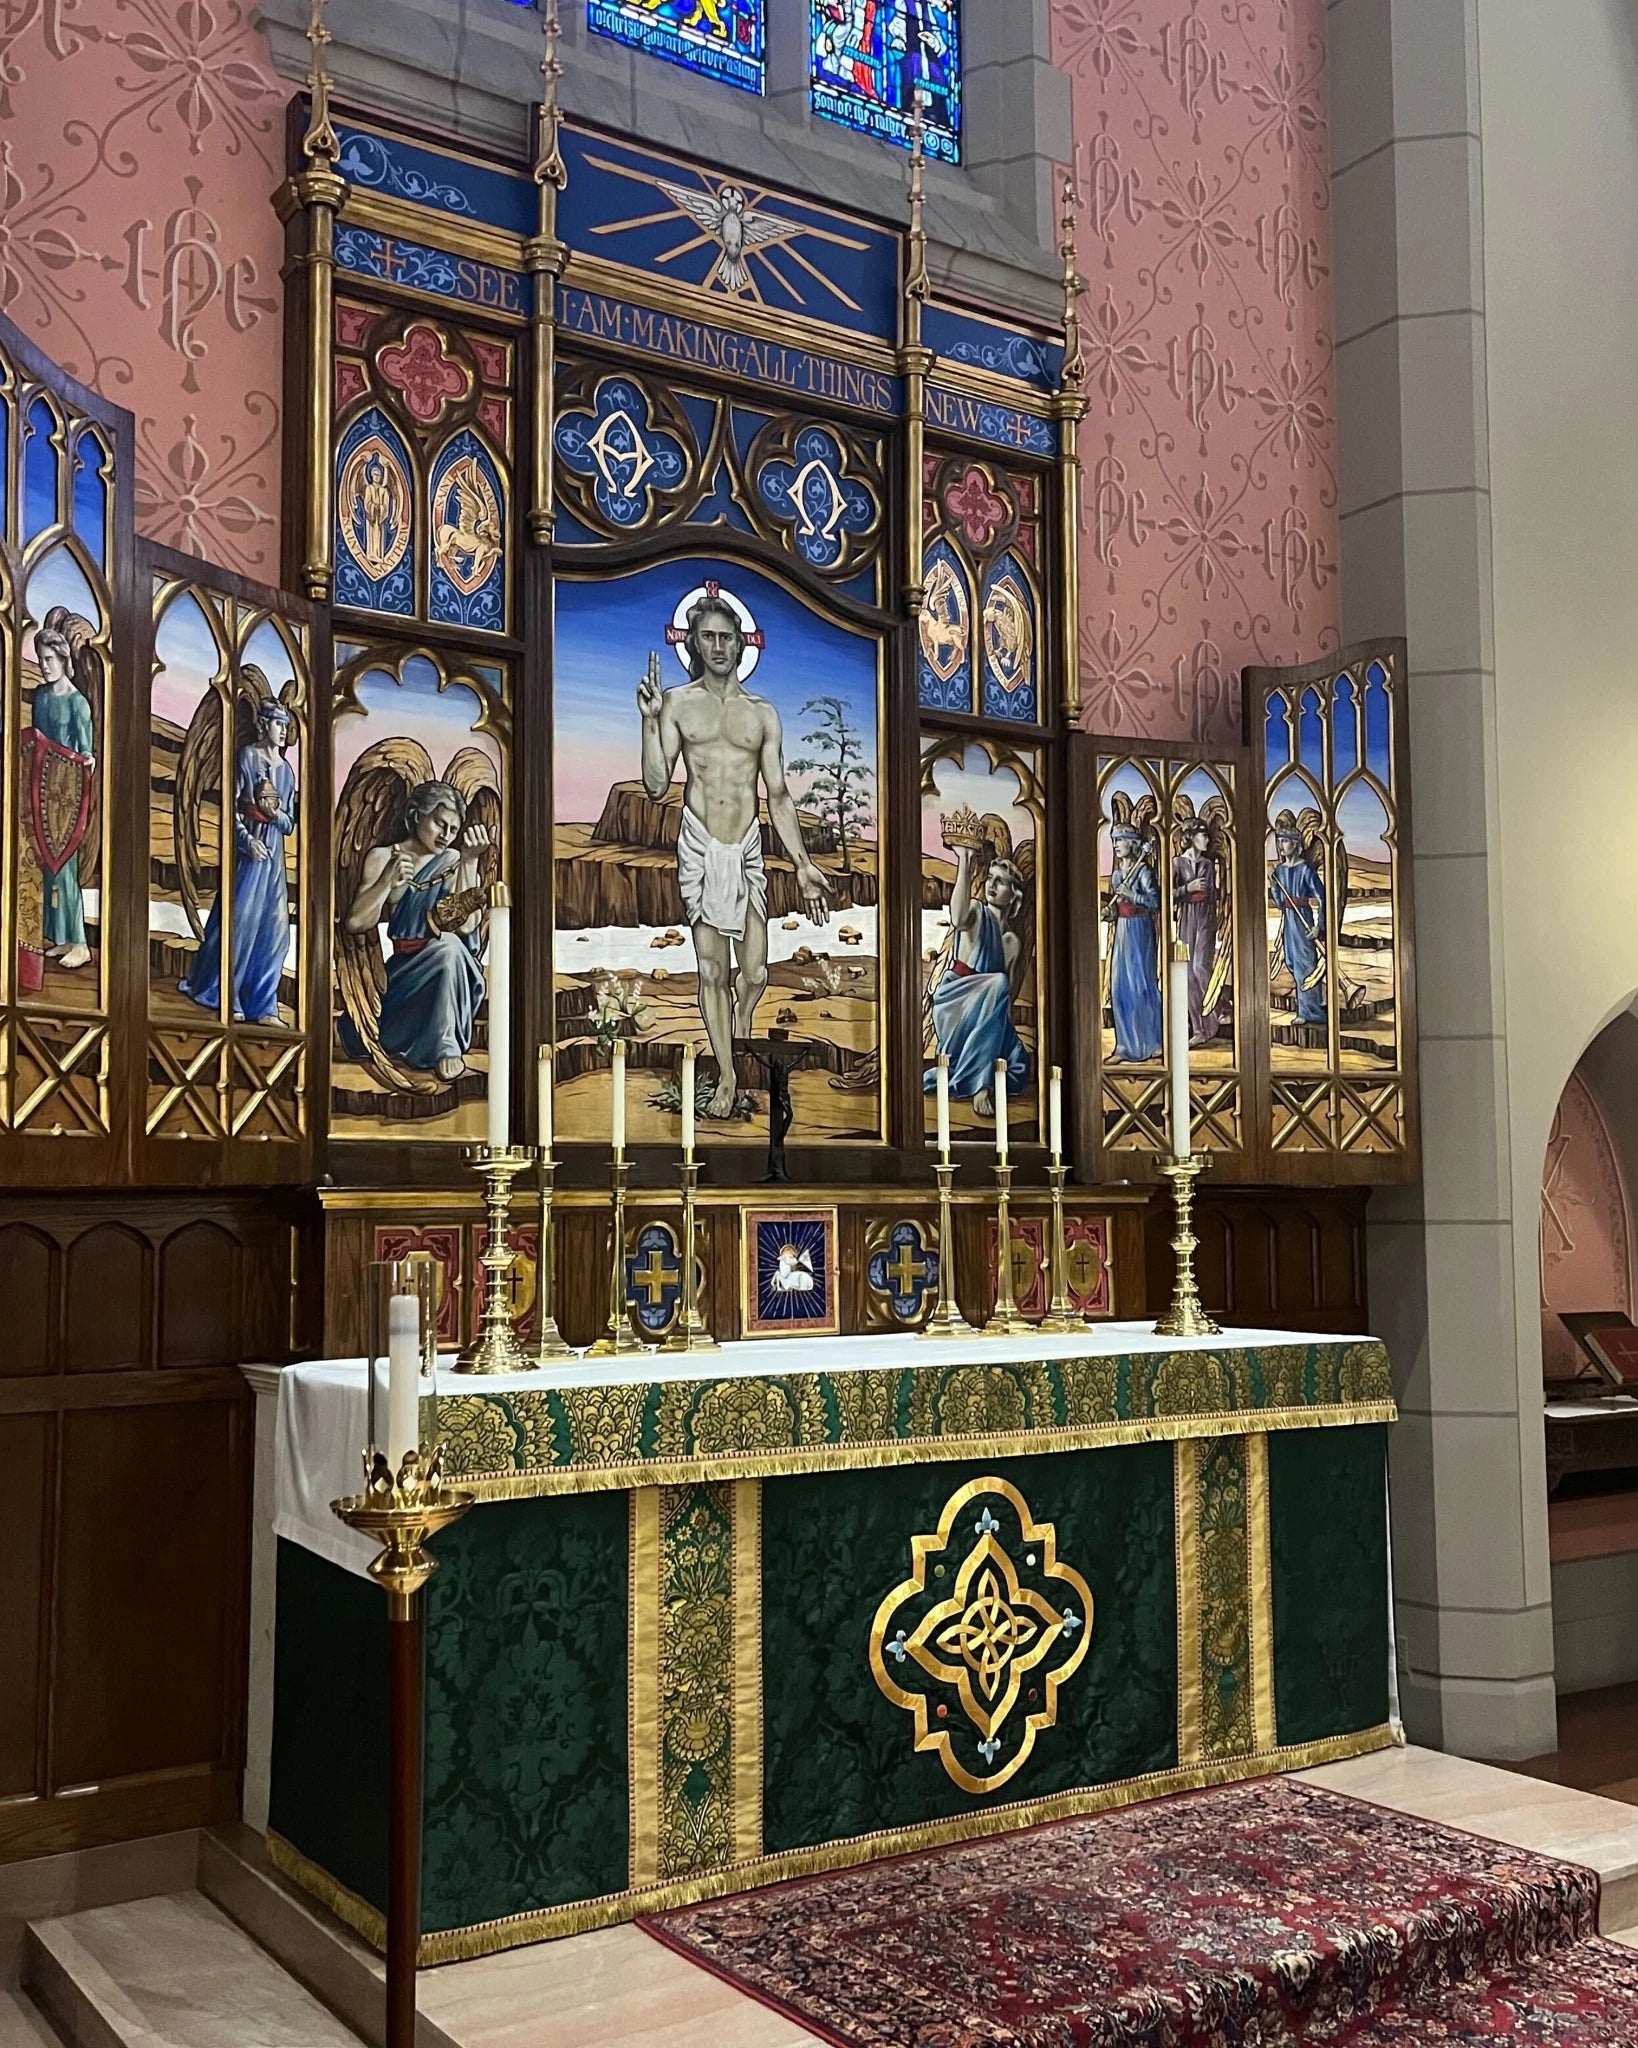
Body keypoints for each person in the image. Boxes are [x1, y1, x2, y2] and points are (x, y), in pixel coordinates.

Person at [638, 594, 832, 1117]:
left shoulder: (762, 715)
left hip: (746, 846)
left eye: (727, 637)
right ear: (695, 643)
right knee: (710, 972)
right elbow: (657, 786)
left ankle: (740, 1027)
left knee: (756, 974)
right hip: (700, 844)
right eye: (709, 637)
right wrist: (649, 723)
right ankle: (727, 1074)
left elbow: (780, 794)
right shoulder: (677, 703)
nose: (719, 646)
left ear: (741, 644)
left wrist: (802, 863)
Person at [342, 780, 496, 1082]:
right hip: (404, 975)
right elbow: (356, 923)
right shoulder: (383, 857)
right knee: (447, 950)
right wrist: (387, 881)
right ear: (416, 816)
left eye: (453, 830)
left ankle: (446, 1045)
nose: (446, 836)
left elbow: (466, 925)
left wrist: (469, 861)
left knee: (449, 948)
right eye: (440, 824)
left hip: (452, 973)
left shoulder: (453, 859)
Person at [180, 698, 297, 1024]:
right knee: (240, 924)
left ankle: (264, 1005)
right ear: (263, 725)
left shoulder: (286, 771)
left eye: (287, 726)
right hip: (250, 856)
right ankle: (227, 995)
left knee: (275, 932)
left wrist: (276, 815)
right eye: (278, 724)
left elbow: (289, 823)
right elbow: (231, 809)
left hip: (272, 860)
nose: (284, 731)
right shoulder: (247, 757)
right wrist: (247, 843)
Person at [923, 829, 1029, 1119]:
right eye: (991, 879)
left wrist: (1005, 1032)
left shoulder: (1012, 942)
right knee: (998, 982)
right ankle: (980, 1084)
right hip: (956, 999)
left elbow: (1003, 998)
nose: (993, 885)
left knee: (1018, 1063)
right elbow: (956, 918)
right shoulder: (975, 913)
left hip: (988, 1010)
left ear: (1014, 896)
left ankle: (982, 1073)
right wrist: (965, 862)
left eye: (1002, 882)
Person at [29, 620, 95, 970]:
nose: (44, 665)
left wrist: (77, 769)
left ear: (63, 659)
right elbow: (35, 743)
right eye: (40, 658)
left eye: (50, 658)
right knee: (47, 864)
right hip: (42, 790)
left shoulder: (78, 704)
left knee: (66, 867)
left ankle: (80, 943)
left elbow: (87, 755)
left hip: (67, 796)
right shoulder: (40, 697)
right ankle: (59, 937)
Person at [1106, 821, 1163, 1061]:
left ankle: (1153, 1043)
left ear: (1133, 843)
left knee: (1141, 985)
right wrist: (1110, 914)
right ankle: (1125, 1046)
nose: (1116, 845)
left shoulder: (1144, 871)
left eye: (1120, 839)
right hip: (1122, 932)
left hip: (1140, 930)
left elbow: (1155, 903)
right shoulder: (1118, 874)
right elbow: (1118, 908)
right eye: (1114, 840)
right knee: (1120, 986)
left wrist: (1133, 895)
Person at [1270, 819, 1327, 1028]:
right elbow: (1278, 903)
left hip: (1303, 918)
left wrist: (1318, 925)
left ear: (1295, 843)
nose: (1281, 845)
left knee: (1306, 964)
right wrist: (1273, 885)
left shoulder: (1305, 870)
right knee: (1293, 963)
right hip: (1289, 921)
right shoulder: (1281, 871)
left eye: (1285, 841)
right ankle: (1306, 1009)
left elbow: (1322, 897)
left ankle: (1310, 1012)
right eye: (1280, 841)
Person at [1174, 818, 1221, 1045]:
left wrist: (1215, 925)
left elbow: (1212, 896)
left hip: (1205, 918)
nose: (1207, 840)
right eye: (1203, 836)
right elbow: (1168, 894)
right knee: (1188, 975)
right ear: (1191, 837)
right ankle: (1199, 1029)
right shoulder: (1177, 863)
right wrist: (1187, 889)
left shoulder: (1208, 865)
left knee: (1200, 967)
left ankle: (1215, 1011)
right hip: (1186, 918)